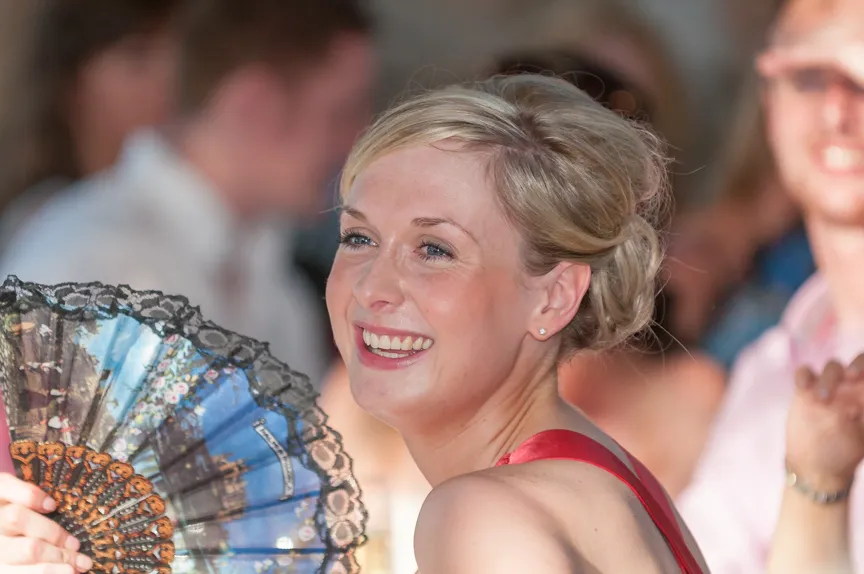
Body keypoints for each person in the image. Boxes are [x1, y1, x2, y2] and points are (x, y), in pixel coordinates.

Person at [326, 73, 708, 572]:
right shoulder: (604, 481)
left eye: (435, 250)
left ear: (553, 298)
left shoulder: (482, 517)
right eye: (359, 238)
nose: (371, 287)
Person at [0, 0, 375, 387]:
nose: (356, 141)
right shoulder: (87, 264)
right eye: (341, 113)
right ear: (253, 105)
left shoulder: (280, 288)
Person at [676, 0, 864, 571]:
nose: (838, 110)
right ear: (768, 104)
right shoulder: (771, 365)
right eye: (808, 77)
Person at [0, 0, 180, 252]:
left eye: (179, 59)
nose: (168, 84)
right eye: (138, 57)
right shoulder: (43, 224)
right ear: (73, 82)